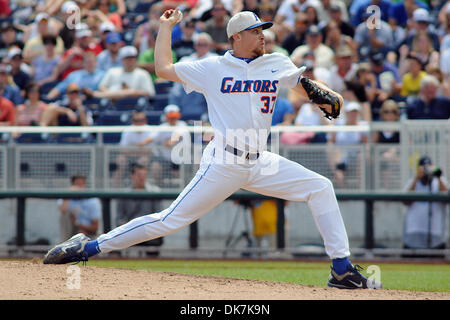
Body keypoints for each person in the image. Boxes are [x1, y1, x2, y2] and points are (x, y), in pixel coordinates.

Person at [44, 9, 382, 290]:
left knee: (320, 187)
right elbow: (162, 69)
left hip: (260, 161)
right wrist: (165, 28)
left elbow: (303, 85)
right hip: (223, 161)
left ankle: (341, 269)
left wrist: (327, 96)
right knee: (169, 220)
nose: (263, 35)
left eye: (263, 30)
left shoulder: (275, 62)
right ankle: (87, 247)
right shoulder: (211, 68)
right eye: (255, 31)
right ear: (236, 36)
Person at [115, 164, 163, 255]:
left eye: (144, 175)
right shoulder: (124, 194)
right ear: (132, 176)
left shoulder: (155, 191)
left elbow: (159, 216)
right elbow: (119, 218)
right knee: (115, 238)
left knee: (155, 240)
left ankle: (153, 268)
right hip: (130, 229)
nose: (142, 178)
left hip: (149, 230)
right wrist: (127, 226)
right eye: (139, 175)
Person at [403, 156, 448, 250]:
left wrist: (438, 176)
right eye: (423, 167)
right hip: (414, 233)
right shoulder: (412, 182)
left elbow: (446, 197)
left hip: (435, 234)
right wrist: (416, 178)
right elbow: (406, 201)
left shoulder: (439, 181)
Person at [58, 174, 101, 241]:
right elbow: (63, 210)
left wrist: (78, 225)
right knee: (65, 215)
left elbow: (95, 228)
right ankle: (64, 245)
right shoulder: (66, 199)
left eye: (82, 184)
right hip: (70, 233)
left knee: (83, 234)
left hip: (87, 234)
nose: (80, 187)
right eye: (77, 184)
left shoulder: (92, 201)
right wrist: (69, 195)